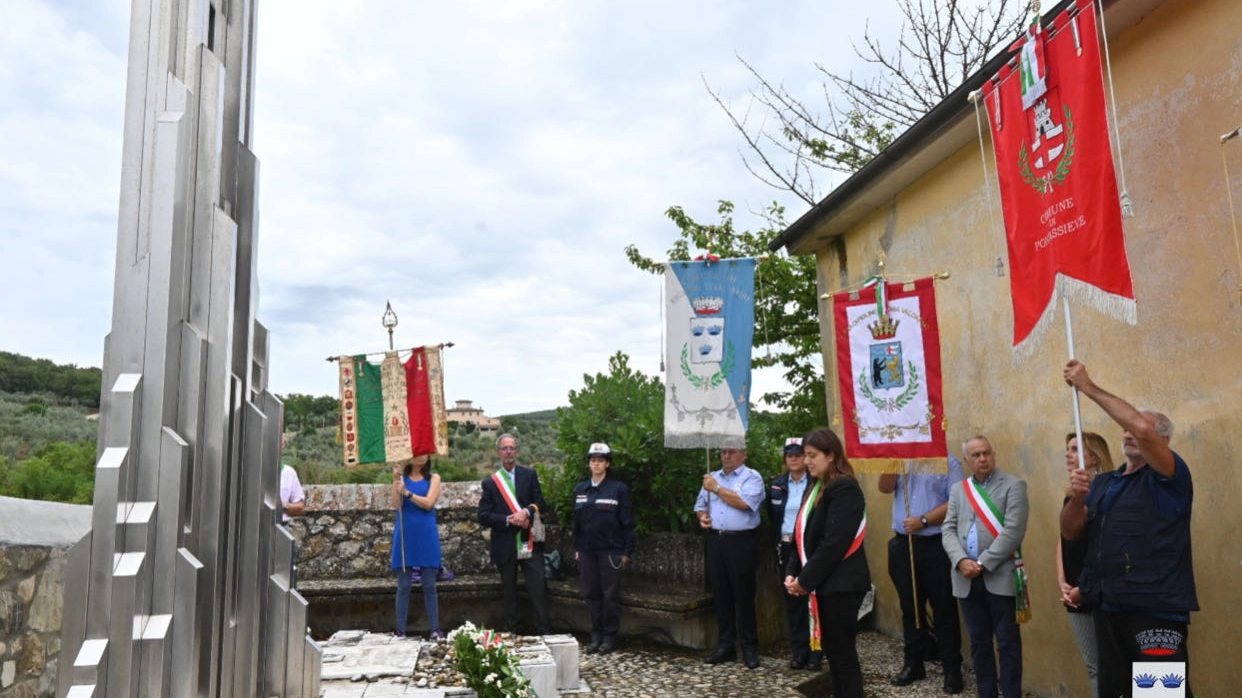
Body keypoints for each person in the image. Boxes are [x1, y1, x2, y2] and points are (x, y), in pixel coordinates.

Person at [1061, 360, 1197, 698]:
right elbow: (1072, 533)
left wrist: (1088, 387)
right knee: (1116, 693)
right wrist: (1078, 499)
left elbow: (1143, 430)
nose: (1127, 433)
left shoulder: (1170, 479)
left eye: (1136, 428)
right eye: (1125, 430)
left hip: (1155, 613)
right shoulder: (1105, 482)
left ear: (1162, 439)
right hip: (1109, 611)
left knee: (1161, 694)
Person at [783, 427, 870, 698]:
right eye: (805, 456)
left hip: (842, 585)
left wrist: (805, 581)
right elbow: (803, 533)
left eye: (812, 455)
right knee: (832, 651)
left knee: (842, 653)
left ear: (831, 455)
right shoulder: (817, 485)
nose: (806, 461)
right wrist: (792, 572)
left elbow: (834, 544)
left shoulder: (844, 487)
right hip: (825, 582)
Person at [941, 436, 1029, 698]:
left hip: (999, 575)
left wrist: (982, 563)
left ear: (994, 454)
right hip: (966, 578)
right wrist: (961, 561)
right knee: (979, 643)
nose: (982, 459)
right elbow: (948, 529)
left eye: (986, 453)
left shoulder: (1014, 485)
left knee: (1007, 643)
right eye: (976, 455)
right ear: (967, 460)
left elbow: (1013, 532)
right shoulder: (959, 489)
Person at [878, 455, 966, 693]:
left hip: (935, 544)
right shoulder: (901, 459)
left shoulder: (950, 462)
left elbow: (957, 500)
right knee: (911, 608)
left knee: (944, 608)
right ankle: (914, 663)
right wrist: (893, 460)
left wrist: (924, 520)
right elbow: (884, 487)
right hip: (902, 545)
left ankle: (951, 669)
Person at [694, 445, 765, 669]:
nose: (726, 455)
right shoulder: (712, 477)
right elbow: (700, 505)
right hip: (717, 541)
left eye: (732, 452)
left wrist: (716, 489)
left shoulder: (751, 478)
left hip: (742, 542)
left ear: (744, 454)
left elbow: (745, 503)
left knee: (744, 596)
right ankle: (726, 646)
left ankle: (749, 648)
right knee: (721, 594)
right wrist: (702, 517)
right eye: (723, 452)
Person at [1056, 431, 1115, 698]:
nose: (1068, 454)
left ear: (1093, 457)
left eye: (1075, 449)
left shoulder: (1107, 493)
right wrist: (1062, 580)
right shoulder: (1072, 496)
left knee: (1109, 665)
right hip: (1074, 591)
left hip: (1097, 590)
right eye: (1067, 449)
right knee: (1094, 665)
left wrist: (1084, 587)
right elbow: (1063, 540)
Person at [478, 433, 551, 635]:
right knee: (509, 591)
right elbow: (483, 515)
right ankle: (514, 631)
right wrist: (509, 519)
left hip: (529, 541)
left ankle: (543, 631)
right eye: (504, 448)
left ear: (517, 451)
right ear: (498, 453)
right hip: (505, 542)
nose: (508, 451)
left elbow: (541, 503)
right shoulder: (490, 483)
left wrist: (527, 512)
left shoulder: (530, 475)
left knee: (538, 588)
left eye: (512, 448)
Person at [572, 442, 636, 655]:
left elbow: (627, 523)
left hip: (611, 551)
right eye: (593, 460)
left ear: (607, 463)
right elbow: (577, 524)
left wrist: (627, 552)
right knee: (591, 594)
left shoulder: (618, 489)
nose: (596, 463)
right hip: (587, 551)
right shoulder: (580, 490)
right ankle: (596, 636)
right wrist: (578, 548)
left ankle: (609, 637)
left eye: (600, 460)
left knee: (610, 596)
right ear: (589, 464)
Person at [766, 437, 821, 671]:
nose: (795, 458)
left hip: (809, 546)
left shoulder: (816, 482)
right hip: (787, 546)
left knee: (813, 601)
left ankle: (816, 654)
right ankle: (799, 653)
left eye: (799, 454)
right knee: (793, 602)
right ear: (785, 458)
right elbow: (772, 516)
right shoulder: (777, 485)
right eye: (790, 455)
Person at [392, 454, 443, 639]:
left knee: (429, 584)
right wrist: (396, 480)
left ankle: (435, 629)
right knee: (403, 585)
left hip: (426, 534)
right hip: (406, 533)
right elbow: (396, 504)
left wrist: (408, 493)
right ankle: (400, 630)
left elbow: (429, 503)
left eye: (424, 452)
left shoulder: (434, 478)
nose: (420, 456)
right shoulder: (402, 479)